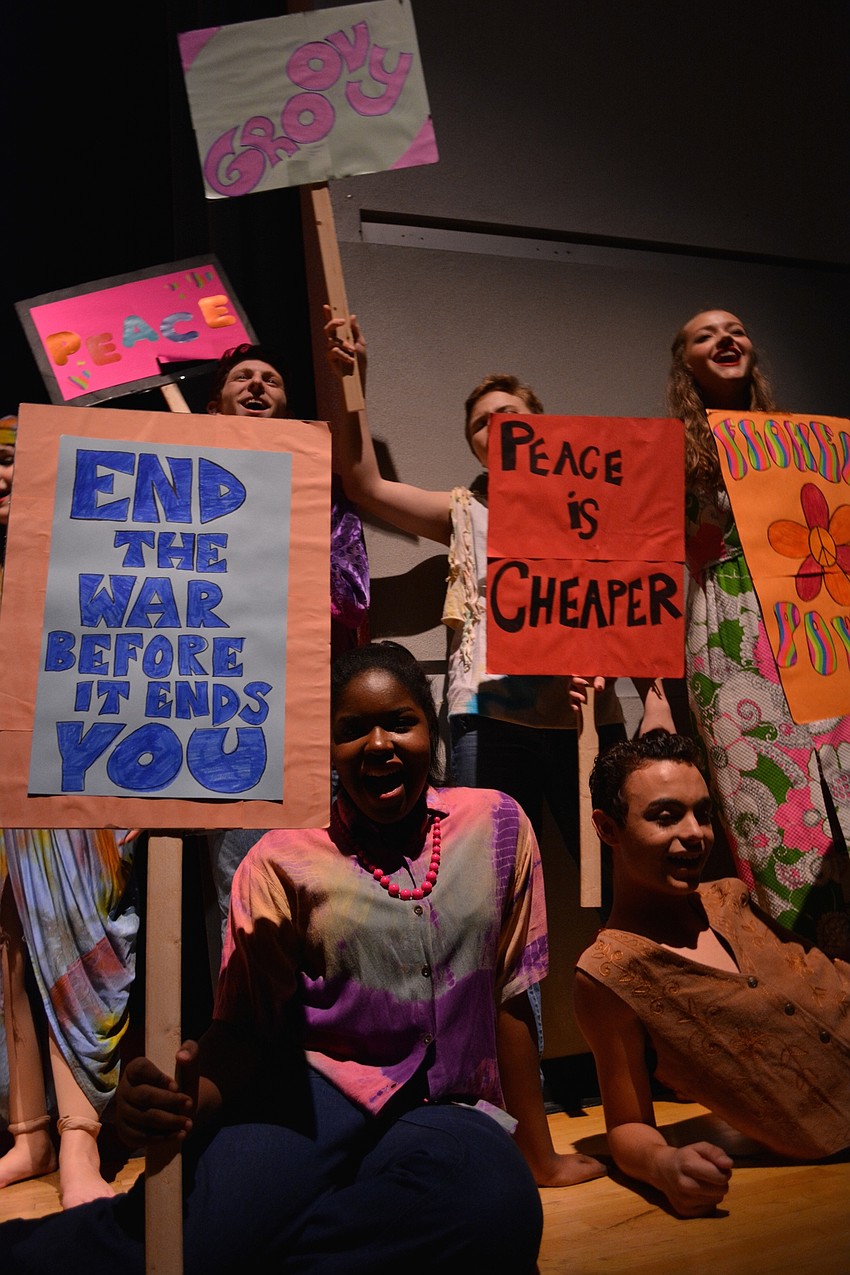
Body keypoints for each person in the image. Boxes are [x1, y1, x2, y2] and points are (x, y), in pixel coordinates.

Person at [0, 641, 605, 1274]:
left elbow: (510, 1001)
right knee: (185, 1236)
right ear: (329, 748)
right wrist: (176, 1099)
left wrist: (538, 1155)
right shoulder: (282, 859)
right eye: (353, 731)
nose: (378, 744)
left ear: (431, 726)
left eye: (400, 721)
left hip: (447, 1110)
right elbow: (242, 1031)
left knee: (496, 1211)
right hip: (308, 1100)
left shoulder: (496, 825)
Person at [324, 311, 625, 907]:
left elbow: (634, 604)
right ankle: (511, 1006)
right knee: (491, 893)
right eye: (482, 424)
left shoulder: (596, 505)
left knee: (617, 877)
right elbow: (364, 483)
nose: (497, 427)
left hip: (585, 716)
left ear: (545, 428)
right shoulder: (465, 511)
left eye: (510, 415)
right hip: (488, 715)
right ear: (475, 445)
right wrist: (352, 381)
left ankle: (623, 996)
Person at [574, 729, 850, 1219]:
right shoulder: (612, 972)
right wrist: (663, 1164)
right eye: (664, 816)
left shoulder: (732, 897)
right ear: (607, 828)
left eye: (702, 814)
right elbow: (626, 1126)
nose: (695, 833)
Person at [645, 310, 850, 957]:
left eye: (734, 328)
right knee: (766, 790)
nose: (725, 338)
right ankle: (808, 960)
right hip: (729, 624)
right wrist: (652, 685)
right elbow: (643, 564)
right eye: (705, 334)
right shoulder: (668, 451)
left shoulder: (800, 442)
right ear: (685, 363)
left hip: (812, 612)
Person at [0, 413, 138, 1208]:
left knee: (77, 937)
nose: (5, 477)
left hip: (66, 761)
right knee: (12, 939)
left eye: (20, 463)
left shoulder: (80, 557)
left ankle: (81, 1137)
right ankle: (29, 1131)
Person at [204, 342, 371, 935]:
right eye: (243, 377)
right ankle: (240, 1022)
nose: (256, 386)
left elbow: (353, 600)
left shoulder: (318, 501)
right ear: (214, 405)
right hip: (216, 713)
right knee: (238, 885)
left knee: (323, 884)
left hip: (304, 716)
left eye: (271, 380)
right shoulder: (180, 492)